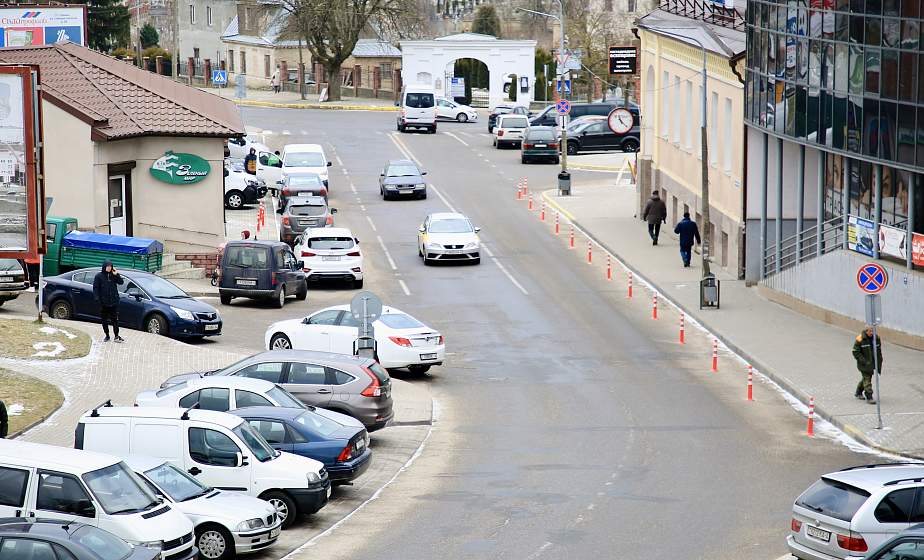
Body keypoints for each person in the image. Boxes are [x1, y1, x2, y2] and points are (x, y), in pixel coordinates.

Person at [93, 261, 124, 343]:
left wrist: (117, 274)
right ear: (104, 267)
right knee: (104, 320)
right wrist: (97, 299)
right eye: (108, 266)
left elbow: (121, 282)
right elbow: (95, 288)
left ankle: (116, 335)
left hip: (113, 302)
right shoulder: (99, 276)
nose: (109, 268)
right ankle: (107, 335)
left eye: (110, 266)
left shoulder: (113, 276)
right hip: (104, 303)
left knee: (115, 320)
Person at [852, 326, 883, 404]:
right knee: (867, 379)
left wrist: (879, 360)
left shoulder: (876, 338)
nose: (872, 333)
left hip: (872, 363)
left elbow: (878, 350)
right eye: (870, 331)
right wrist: (863, 361)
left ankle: (858, 392)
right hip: (864, 364)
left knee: (866, 379)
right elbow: (855, 352)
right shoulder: (860, 339)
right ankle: (869, 396)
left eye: (873, 331)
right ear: (866, 331)